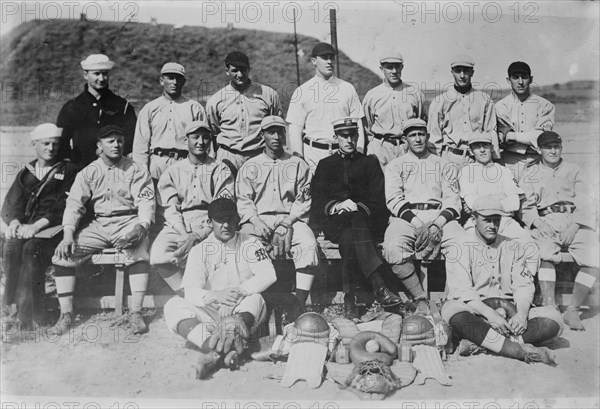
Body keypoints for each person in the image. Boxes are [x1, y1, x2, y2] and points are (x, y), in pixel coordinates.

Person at [51, 125, 155, 335]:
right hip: (100, 225)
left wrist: (141, 227)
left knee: (138, 253)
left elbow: (146, 200)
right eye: (110, 141)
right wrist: (68, 235)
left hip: (128, 221)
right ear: (99, 145)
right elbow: (74, 204)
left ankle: (135, 312)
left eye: (119, 140)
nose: (116, 145)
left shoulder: (136, 168)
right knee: (63, 255)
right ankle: (66, 315)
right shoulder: (89, 171)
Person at [163, 198, 277, 379]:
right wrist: (216, 295)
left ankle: (214, 356)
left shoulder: (250, 243)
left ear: (237, 219)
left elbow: (269, 275)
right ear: (209, 222)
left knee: (256, 299)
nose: (225, 225)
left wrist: (236, 294)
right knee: (172, 305)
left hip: (241, 310)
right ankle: (217, 348)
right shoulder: (200, 250)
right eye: (219, 220)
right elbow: (190, 291)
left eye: (230, 219)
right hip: (211, 313)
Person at [442, 194, 563, 365]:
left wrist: (521, 314)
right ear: (474, 218)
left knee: (554, 320)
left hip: (509, 315)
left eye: (496, 220)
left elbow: (523, 285)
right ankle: (517, 350)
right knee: (453, 313)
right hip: (476, 311)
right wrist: (489, 314)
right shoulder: (460, 246)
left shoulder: (513, 246)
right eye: (487, 220)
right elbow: (462, 291)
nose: (492, 226)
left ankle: (481, 344)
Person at [311, 117, 402, 318]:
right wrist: (337, 206)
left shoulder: (369, 163)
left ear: (358, 136)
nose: (349, 140)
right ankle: (379, 286)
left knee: (350, 234)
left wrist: (357, 208)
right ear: (336, 138)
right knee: (350, 227)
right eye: (344, 136)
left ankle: (349, 297)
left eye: (353, 135)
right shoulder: (325, 165)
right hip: (335, 221)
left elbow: (380, 202)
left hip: (366, 221)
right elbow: (317, 203)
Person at [1, 124, 79, 331]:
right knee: (11, 247)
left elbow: (65, 205)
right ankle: (10, 308)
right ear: (34, 144)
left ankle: (33, 315)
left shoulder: (69, 170)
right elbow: (11, 204)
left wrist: (36, 226)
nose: (51, 148)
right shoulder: (26, 172)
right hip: (29, 228)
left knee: (31, 249)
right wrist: (15, 222)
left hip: (55, 229)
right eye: (45, 144)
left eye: (55, 144)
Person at [236, 116, 319, 310]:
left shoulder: (298, 164)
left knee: (308, 244)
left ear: (285, 135)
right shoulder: (250, 165)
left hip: (290, 218)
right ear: (262, 135)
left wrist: (287, 223)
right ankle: (249, 302)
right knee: (243, 245)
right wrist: (256, 222)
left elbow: (303, 200)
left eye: (279, 132)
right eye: (270, 132)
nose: (276, 136)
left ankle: (299, 304)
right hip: (258, 220)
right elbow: (244, 200)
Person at [382, 118, 464, 314]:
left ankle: (455, 299)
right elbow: (393, 199)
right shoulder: (395, 165)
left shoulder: (444, 164)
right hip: (407, 217)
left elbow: (453, 200)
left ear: (427, 136)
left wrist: (436, 225)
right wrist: (419, 224)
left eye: (421, 134)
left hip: (440, 216)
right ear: (405, 139)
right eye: (412, 135)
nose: (418, 139)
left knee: (463, 244)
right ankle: (420, 298)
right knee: (392, 247)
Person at [521, 131, 598, 330]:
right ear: (540, 150)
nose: (553, 151)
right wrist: (538, 223)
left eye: (556, 146)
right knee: (545, 250)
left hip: (574, 220)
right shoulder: (531, 173)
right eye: (548, 147)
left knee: (593, 255)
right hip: (547, 220)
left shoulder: (574, 170)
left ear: (561, 147)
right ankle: (549, 305)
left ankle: (572, 309)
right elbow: (525, 206)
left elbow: (587, 201)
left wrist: (575, 226)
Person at [150, 120, 234, 293]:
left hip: (211, 223)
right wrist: (183, 234)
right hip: (180, 222)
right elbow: (170, 207)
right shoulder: (174, 170)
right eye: (195, 137)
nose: (200, 142)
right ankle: (187, 295)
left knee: (216, 255)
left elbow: (223, 206)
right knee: (158, 253)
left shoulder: (220, 169)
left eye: (205, 138)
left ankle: (210, 295)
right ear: (185, 140)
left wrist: (199, 234)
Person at [286, 42, 365, 172]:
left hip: (344, 154)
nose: (329, 62)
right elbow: (295, 128)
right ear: (314, 61)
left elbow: (358, 123)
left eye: (331, 57)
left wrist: (360, 150)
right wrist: (298, 156)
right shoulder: (302, 91)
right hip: (314, 155)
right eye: (324, 58)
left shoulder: (347, 88)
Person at [206, 51, 282, 174]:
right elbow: (213, 132)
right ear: (227, 71)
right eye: (235, 70)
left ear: (249, 69)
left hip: (259, 155)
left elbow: (277, 127)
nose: (240, 74)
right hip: (228, 157)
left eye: (244, 70)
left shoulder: (268, 94)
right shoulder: (216, 100)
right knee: (227, 192)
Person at [56, 54, 137, 166]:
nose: (101, 78)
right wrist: (70, 164)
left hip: (116, 168)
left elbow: (132, 137)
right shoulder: (72, 107)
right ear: (85, 75)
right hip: (81, 168)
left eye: (105, 73)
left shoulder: (122, 106)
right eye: (96, 74)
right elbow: (61, 141)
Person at [133, 62, 206, 182]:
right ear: (161, 81)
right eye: (170, 78)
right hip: (157, 162)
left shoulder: (194, 108)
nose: (174, 82)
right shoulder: (150, 108)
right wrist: (142, 174)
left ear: (183, 82)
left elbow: (205, 143)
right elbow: (141, 146)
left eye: (178, 79)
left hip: (186, 162)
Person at [428, 55, 499, 166]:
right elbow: (434, 136)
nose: (462, 76)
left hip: (477, 158)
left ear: (472, 72)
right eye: (458, 71)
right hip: (449, 157)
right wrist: (436, 163)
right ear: (452, 72)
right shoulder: (440, 101)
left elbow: (491, 132)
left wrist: (493, 161)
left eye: (466, 71)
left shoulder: (484, 99)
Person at [362, 52, 426, 168]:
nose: (394, 71)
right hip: (381, 149)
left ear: (402, 67)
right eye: (389, 67)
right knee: (380, 184)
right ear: (382, 68)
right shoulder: (372, 95)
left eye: (397, 66)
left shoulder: (415, 93)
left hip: (407, 147)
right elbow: (367, 127)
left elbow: (421, 121)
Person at [495, 61, 555, 182]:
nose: (520, 82)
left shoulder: (544, 105)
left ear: (531, 79)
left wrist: (512, 135)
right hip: (509, 161)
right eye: (515, 77)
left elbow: (542, 137)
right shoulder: (500, 107)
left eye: (524, 77)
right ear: (508, 80)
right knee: (512, 198)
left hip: (537, 161)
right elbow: (500, 139)